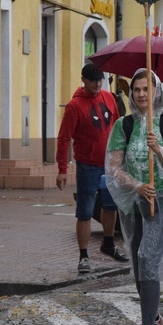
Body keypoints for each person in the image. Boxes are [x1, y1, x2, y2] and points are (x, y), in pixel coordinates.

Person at [105, 69, 163, 325]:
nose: (141, 94)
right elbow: (114, 169)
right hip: (136, 201)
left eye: (146, 89)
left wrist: (160, 151)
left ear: (157, 92)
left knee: (146, 256)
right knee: (139, 262)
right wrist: (138, 185)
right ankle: (153, 318)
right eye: (137, 89)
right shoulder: (123, 125)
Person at [56, 63, 128, 275]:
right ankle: (84, 256)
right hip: (88, 165)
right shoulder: (74, 106)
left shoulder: (108, 98)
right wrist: (62, 168)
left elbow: (117, 128)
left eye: (100, 80)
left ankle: (108, 243)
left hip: (110, 163)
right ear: (84, 80)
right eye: (93, 80)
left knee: (110, 205)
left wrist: (122, 156)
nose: (97, 84)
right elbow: (63, 138)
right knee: (85, 211)